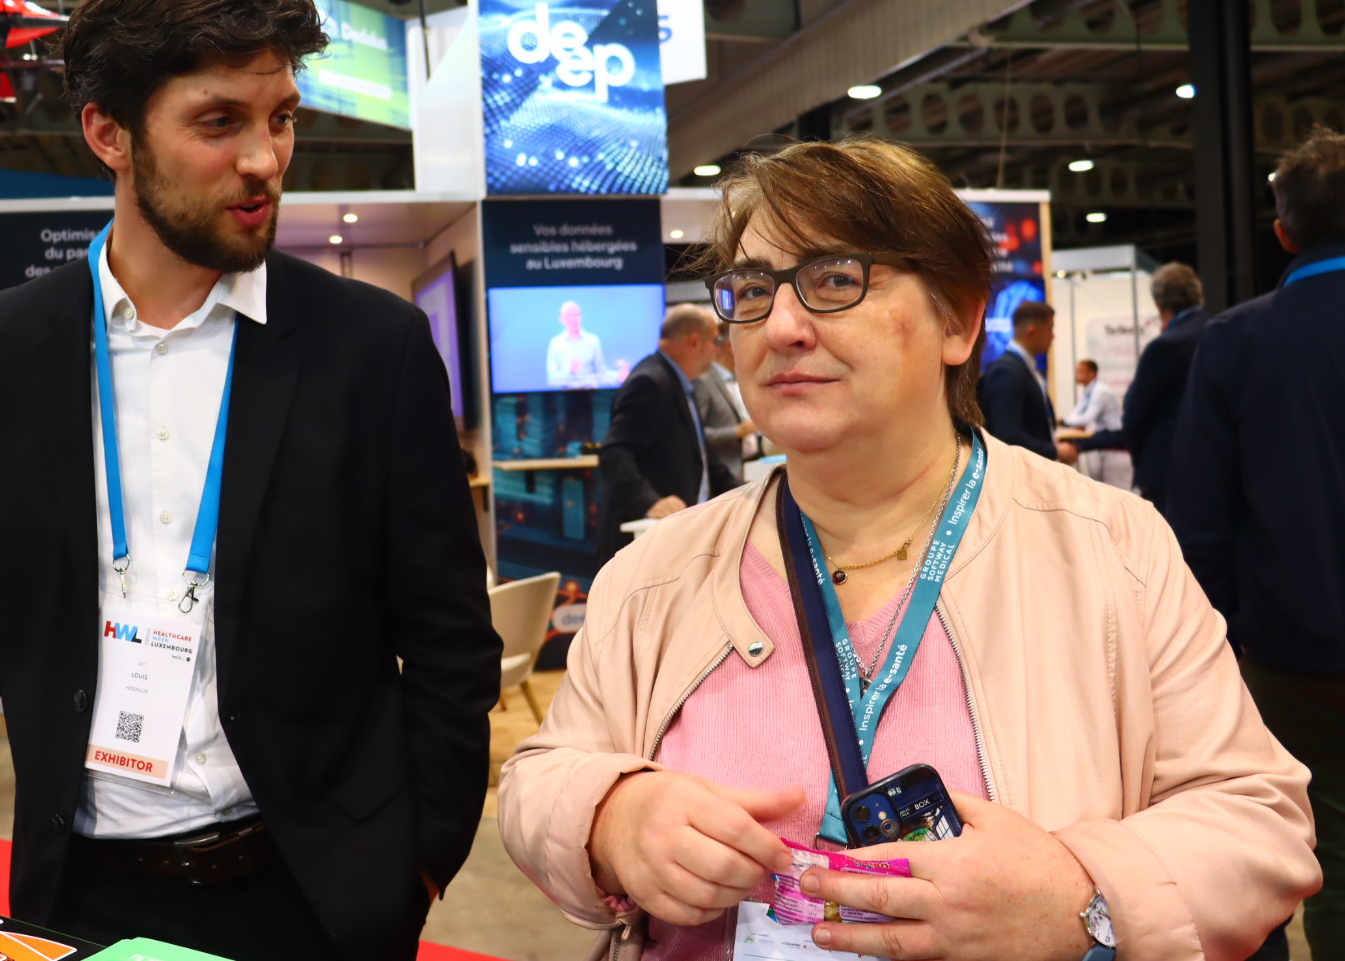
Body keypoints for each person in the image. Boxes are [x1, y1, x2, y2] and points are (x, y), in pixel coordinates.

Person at [0, 0, 500, 961]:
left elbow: (447, 640)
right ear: (109, 134)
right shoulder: (6, 345)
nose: (265, 160)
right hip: (78, 892)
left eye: (280, 119)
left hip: (315, 895)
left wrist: (417, 867)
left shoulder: (370, 346)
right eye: (219, 122)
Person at [499, 136, 1318, 961]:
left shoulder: (1111, 549)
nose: (780, 326)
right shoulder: (655, 576)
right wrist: (611, 815)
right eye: (751, 290)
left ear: (957, 320)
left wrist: (1083, 897)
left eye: (834, 280)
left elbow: (1257, 820)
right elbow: (541, 775)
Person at [1168, 128, 1345, 959]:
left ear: (1282, 231)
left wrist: (1220, 643)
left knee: (1326, 853)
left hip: (1293, 655)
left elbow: (1200, 517)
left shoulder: (1237, 340)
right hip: (1289, 647)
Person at [595, 304, 739, 567]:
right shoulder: (650, 382)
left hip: (677, 536)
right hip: (646, 545)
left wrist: (746, 494)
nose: (717, 350)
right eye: (714, 341)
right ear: (695, 342)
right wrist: (649, 502)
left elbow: (702, 456)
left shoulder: (679, 382)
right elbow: (615, 453)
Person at [1121, 262, 1206, 509]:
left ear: (1159, 303)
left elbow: (1135, 417)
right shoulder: (1222, 331)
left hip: (1167, 474)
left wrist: (1141, 460)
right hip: (1214, 468)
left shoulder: (1165, 346)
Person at [977, 300, 1070, 463]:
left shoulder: (1023, 368)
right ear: (1032, 331)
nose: (1053, 336)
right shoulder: (1006, 372)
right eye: (1049, 329)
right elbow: (1007, 436)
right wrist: (1055, 451)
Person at [696, 328, 760, 483]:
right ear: (731, 347)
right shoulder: (703, 381)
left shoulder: (741, 376)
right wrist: (736, 432)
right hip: (723, 476)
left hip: (751, 466)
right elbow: (696, 433)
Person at [1061, 359, 1129, 488]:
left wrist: (1064, 421)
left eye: (1080, 372)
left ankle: (1069, 479)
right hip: (1103, 432)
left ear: (1092, 374)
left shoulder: (1100, 391)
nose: (1077, 375)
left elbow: (1087, 418)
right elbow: (1077, 413)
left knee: (1075, 444)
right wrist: (1064, 421)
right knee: (1069, 441)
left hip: (1115, 434)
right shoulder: (1088, 390)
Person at [547, 300, 610, 388]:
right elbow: (552, 380)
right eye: (568, 316)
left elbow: (602, 373)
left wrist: (618, 376)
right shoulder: (555, 344)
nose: (573, 319)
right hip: (566, 393)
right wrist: (569, 370)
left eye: (576, 315)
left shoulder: (593, 341)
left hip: (590, 391)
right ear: (561, 319)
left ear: (581, 317)